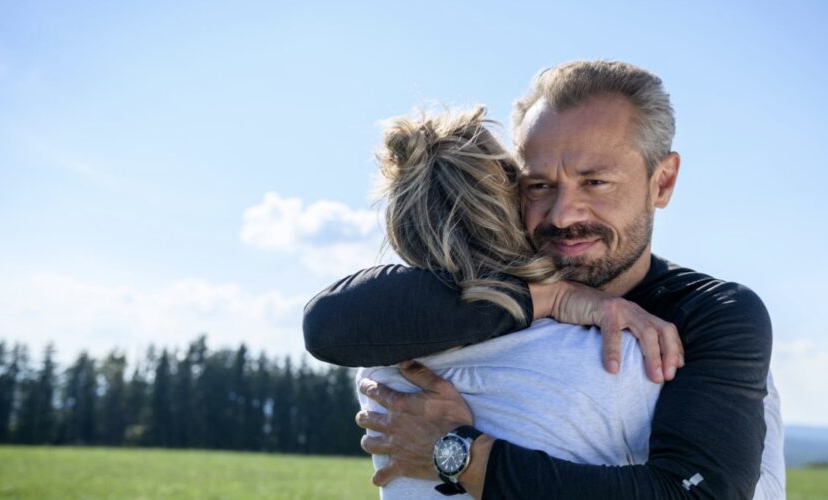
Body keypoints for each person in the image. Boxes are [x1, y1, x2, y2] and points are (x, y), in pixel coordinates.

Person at [305, 60, 783, 499]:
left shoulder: (712, 313)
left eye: (595, 182)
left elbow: (695, 495)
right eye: (539, 186)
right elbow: (328, 327)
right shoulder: (476, 298)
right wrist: (551, 297)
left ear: (662, 182)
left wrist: (460, 454)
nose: (563, 214)